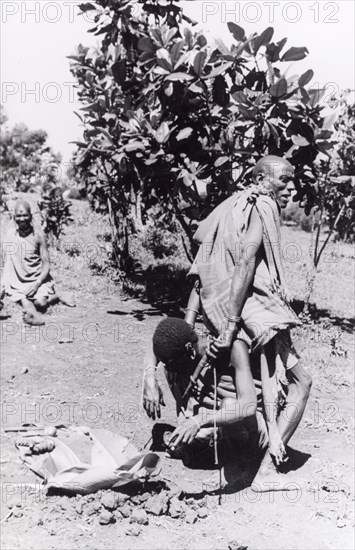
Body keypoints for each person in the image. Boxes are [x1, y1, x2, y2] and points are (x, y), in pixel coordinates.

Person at [144, 155, 312, 490]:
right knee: (302, 383)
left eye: (293, 180)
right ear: (262, 178)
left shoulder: (231, 205)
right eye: (284, 180)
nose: (291, 187)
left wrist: (149, 372)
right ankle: (265, 470)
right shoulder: (262, 206)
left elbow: (202, 268)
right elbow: (247, 260)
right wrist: (234, 323)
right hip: (251, 313)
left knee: (252, 386)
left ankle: (245, 441)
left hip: (220, 308)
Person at [143, 317, 311, 491]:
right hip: (214, 427)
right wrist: (149, 377)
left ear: (189, 350)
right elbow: (157, 344)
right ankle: (199, 444)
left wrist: (198, 421)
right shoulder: (185, 339)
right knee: (169, 369)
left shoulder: (234, 348)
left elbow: (248, 406)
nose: (172, 368)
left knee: (230, 404)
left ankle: (238, 468)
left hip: (250, 428)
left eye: (173, 362)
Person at [1, 200, 75, 325]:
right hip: (17, 280)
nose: (22, 219)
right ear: (14, 217)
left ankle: (57, 295)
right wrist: (2, 282)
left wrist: (37, 283)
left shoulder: (39, 235)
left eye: (25, 215)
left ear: (30, 216)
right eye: (18, 216)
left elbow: (46, 264)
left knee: (41, 303)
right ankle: (33, 315)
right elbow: (4, 261)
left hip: (36, 278)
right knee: (23, 297)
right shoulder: (10, 234)